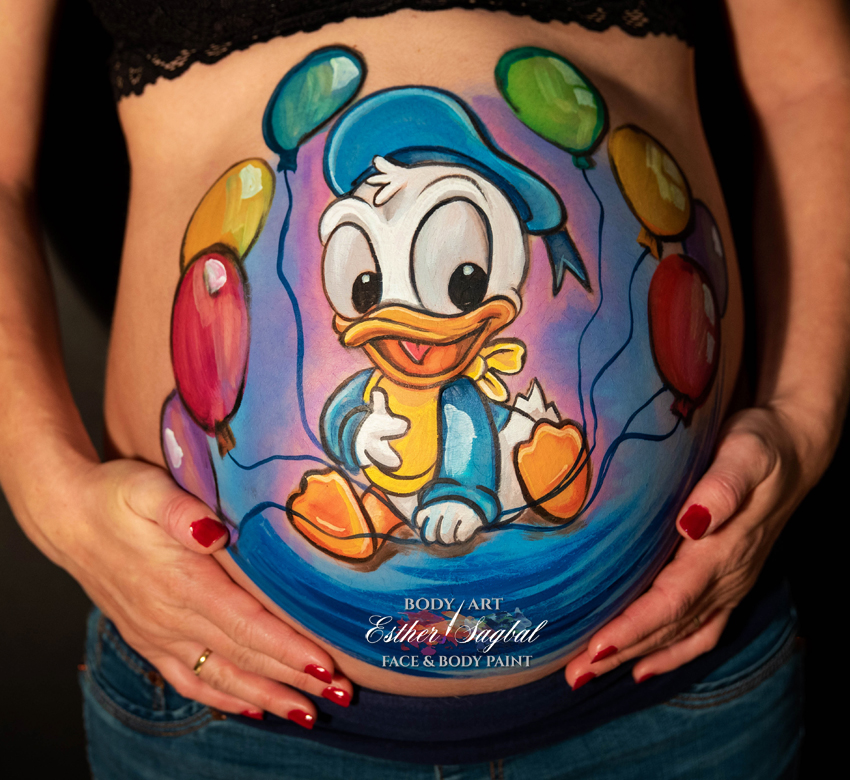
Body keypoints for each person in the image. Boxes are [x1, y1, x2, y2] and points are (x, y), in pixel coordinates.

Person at [0, 1, 848, 777]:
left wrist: (807, 421)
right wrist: (52, 498)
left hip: (678, 705)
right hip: (229, 721)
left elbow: (808, 83)